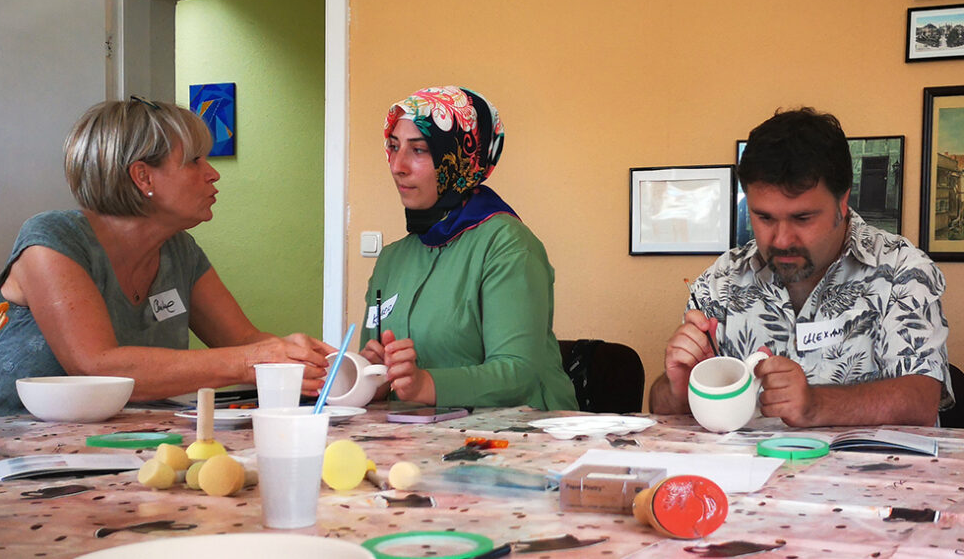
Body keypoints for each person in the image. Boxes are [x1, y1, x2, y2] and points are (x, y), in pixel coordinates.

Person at [0, 97, 334, 417]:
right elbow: (95, 366)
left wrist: (305, 357)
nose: (212, 174)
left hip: (120, 445)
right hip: (5, 448)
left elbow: (242, 341)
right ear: (143, 176)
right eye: (194, 161)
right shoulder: (53, 240)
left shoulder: (181, 251)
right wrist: (253, 361)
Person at [649, 107, 951, 427]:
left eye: (802, 218)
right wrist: (678, 388)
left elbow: (922, 400)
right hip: (743, 461)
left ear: (842, 202)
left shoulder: (901, 270)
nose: (781, 240)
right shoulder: (721, 280)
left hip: (861, 461)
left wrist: (816, 405)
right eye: (764, 217)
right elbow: (663, 411)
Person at [358, 86, 577, 411]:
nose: (397, 165)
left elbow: (517, 374)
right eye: (393, 146)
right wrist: (370, 377)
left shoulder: (506, 244)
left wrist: (423, 384)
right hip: (418, 435)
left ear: (459, 158)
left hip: (520, 433)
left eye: (418, 150)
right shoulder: (391, 260)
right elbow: (376, 376)